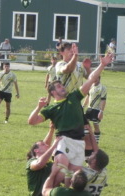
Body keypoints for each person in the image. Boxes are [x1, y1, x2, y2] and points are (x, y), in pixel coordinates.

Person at [28, 52, 113, 185]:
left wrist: (102, 65)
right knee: (60, 171)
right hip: (64, 140)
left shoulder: (74, 96)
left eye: (62, 86)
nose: (63, 87)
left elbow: (90, 80)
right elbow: (32, 121)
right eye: (59, 87)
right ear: (53, 93)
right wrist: (38, 107)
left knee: (72, 178)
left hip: (80, 143)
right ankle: (48, 193)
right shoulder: (50, 109)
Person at [26, 123, 61, 196]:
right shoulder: (31, 162)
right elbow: (39, 164)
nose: (47, 145)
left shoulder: (50, 163)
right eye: (42, 144)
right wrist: (55, 145)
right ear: (36, 150)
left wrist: (51, 130)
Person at [83, 76, 107, 146]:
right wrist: (83, 106)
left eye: (96, 78)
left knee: (95, 125)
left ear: (99, 78)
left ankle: (96, 142)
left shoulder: (102, 88)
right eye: (94, 78)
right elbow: (88, 97)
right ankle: (87, 140)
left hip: (96, 109)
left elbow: (103, 100)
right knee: (85, 124)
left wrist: (101, 111)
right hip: (89, 109)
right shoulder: (91, 86)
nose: (95, 80)